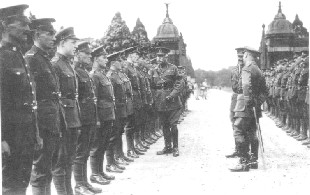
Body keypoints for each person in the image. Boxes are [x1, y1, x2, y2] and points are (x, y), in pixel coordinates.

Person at [0, 4, 42, 195]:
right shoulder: (2, 57)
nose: (27, 28)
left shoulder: (19, 56)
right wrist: (1, 139)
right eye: (21, 24)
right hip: (11, 135)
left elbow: (29, 100)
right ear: (5, 24)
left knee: (22, 181)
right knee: (11, 184)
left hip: (25, 133)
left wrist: (35, 133)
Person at [26, 17, 68, 195]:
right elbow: (32, 97)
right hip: (42, 123)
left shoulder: (44, 58)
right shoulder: (31, 58)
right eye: (49, 34)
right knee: (40, 171)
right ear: (37, 35)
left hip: (53, 121)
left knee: (49, 168)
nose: (53, 37)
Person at [52, 27, 81, 195]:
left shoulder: (67, 64)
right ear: (62, 43)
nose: (75, 46)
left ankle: (68, 191)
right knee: (60, 161)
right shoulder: (56, 64)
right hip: (63, 119)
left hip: (72, 118)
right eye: (73, 43)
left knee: (69, 159)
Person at [230, 47, 267, 172]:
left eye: (244, 54)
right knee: (252, 132)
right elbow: (265, 92)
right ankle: (253, 160)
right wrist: (256, 103)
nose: (243, 56)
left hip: (243, 106)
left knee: (239, 131)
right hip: (253, 107)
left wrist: (248, 102)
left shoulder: (247, 68)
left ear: (247, 55)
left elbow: (245, 86)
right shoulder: (258, 70)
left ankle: (243, 161)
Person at [73, 41, 103, 194]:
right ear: (78, 53)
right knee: (80, 152)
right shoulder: (75, 71)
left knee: (85, 151)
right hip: (82, 118)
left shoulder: (84, 71)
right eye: (86, 53)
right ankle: (79, 184)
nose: (90, 56)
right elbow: (76, 98)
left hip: (90, 116)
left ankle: (84, 182)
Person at [90, 45, 118, 178]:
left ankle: (100, 171)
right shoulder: (94, 76)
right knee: (96, 146)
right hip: (100, 116)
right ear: (96, 59)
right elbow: (94, 99)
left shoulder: (102, 75)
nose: (106, 60)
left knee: (103, 144)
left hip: (107, 115)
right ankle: (95, 173)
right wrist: (96, 119)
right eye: (103, 57)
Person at [150, 47, 183, 157]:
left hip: (172, 101)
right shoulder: (153, 70)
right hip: (160, 101)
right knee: (164, 125)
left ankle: (175, 147)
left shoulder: (173, 69)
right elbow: (151, 86)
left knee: (173, 125)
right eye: (158, 56)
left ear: (166, 57)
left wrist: (172, 95)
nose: (159, 58)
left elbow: (180, 84)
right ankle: (167, 146)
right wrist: (154, 98)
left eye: (161, 56)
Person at [225, 47, 244, 158]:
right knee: (234, 124)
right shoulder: (234, 70)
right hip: (235, 99)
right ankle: (238, 149)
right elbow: (234, 86)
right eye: (238, 56)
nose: (240, 58)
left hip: (244, 100)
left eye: (241, 56)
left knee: (245, 126)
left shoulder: (249, 69)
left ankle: (247, 152)